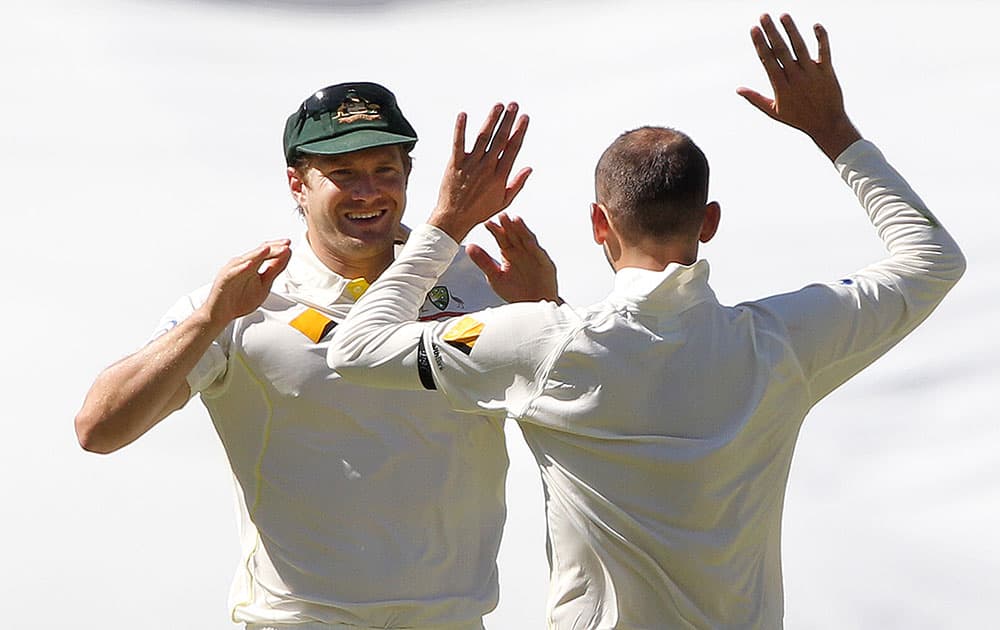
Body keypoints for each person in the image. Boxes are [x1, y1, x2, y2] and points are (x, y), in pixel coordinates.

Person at [326, 14, 967, 629]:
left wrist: (448, 223)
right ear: (708, 222)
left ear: (599, 225)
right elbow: (932, 260)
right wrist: (833, 130)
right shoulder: (783, 341)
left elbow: (355, 350)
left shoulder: (543, 344)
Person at [74, 82, 555, 629]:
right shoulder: (249, 300)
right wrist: (208, 320)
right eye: (343, 174)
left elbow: (599, 412)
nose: (368, 192)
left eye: (385, 171)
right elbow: (99, 428)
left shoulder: (475, 284)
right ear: (297, 184)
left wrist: (548, 309)